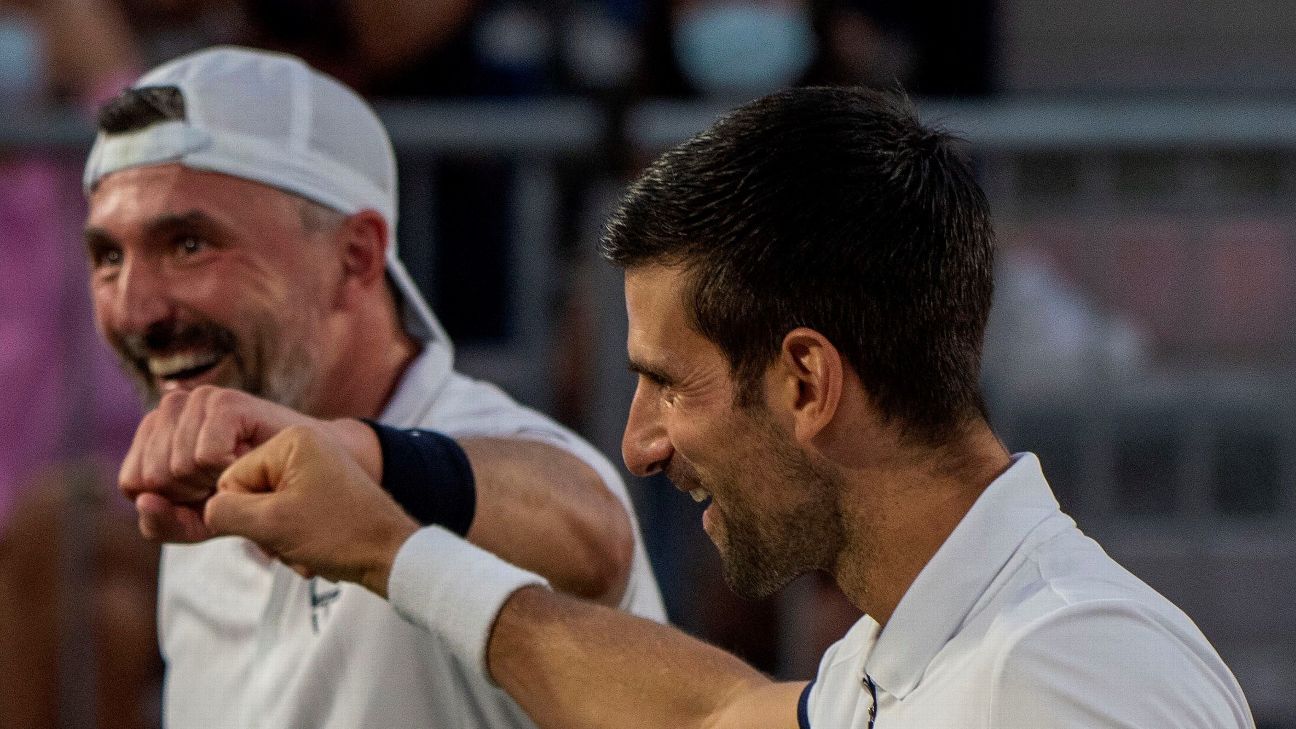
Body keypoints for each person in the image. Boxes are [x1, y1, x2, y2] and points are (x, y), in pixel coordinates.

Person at [196, 86, 1256, 728]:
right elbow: (706, 712)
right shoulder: (904, 659)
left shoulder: (1063, 669)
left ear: (806, 381)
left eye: (666, 381)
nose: (639, 442)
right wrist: (386, 549)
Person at [81, 45, 665, 729]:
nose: (135, 310)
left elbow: (592, 529)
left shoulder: (478, 442)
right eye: (108, 256)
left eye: (188, 245)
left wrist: (353, 458)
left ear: (356, 254)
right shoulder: (198, 514)